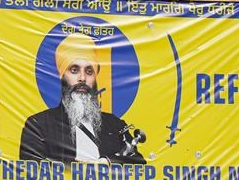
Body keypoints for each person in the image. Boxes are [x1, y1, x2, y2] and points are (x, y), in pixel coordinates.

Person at [19, 33, 145, 164]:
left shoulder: (114, 125)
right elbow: (30, 168)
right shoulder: (38, 125)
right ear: (62, 76)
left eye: (89, 71)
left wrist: (107, 162)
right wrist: (74, 169)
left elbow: (139, 163)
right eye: (74, 70)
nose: (82, 78)